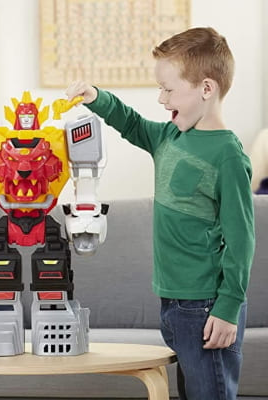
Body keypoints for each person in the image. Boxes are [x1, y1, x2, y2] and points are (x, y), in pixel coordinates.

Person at [66, 27, 255, 400]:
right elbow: (132, 123)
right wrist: (96, 98)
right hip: (174, 303)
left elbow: (241, 238)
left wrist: (229, 306)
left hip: (207, 305)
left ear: (206, 88)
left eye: (168, 90)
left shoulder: (227, 154)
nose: (161, 98)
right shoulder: (170, 137)